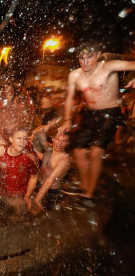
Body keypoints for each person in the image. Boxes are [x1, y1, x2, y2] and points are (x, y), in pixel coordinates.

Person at [58, 41, 135, 205]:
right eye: (81, 58)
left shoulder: (109, 66)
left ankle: (88, 195)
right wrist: (67, 120)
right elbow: (70, 98)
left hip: (109, 113)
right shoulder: (75, 75)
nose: (85, 63)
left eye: (89, 58)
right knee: (78, 151)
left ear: (98, 55)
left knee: (95, 152)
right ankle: (86, 188)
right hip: (89, 114)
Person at [0, 128, 39, 212]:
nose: (22, 142)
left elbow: (34, 177)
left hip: (21, 197)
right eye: (19, 138)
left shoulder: (30, 157)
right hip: (4, 195)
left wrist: (27, 196)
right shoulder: (0, 153)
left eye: (25, 139)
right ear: (11, 139)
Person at [31, 133, 71, 214]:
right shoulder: (49, 150)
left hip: (50, 191)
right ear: (52, 139)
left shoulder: (64, 160)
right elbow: (44, 159)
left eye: (63, 141)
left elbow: (49, 181)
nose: (59, 143)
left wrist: (37, 199)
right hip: (39, 185)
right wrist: (31, 148)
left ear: (67, 143)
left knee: (42, 216)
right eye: (57, 139)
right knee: (31, 211)